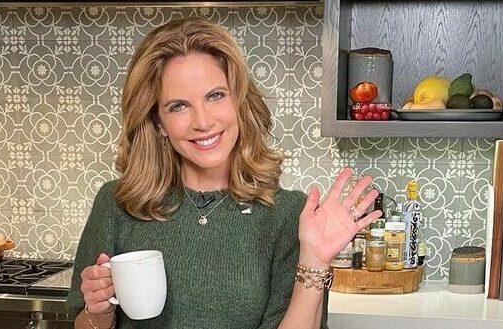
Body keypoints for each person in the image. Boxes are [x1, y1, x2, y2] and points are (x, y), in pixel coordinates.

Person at [67, 17, 381, 329]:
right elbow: (84, 323)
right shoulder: (117, 203)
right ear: (158, 122)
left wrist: (314, 259)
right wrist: (98, 310)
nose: (202, 121)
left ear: (239, 102)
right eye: (178, 106)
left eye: (215, 96)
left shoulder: (286, 215)